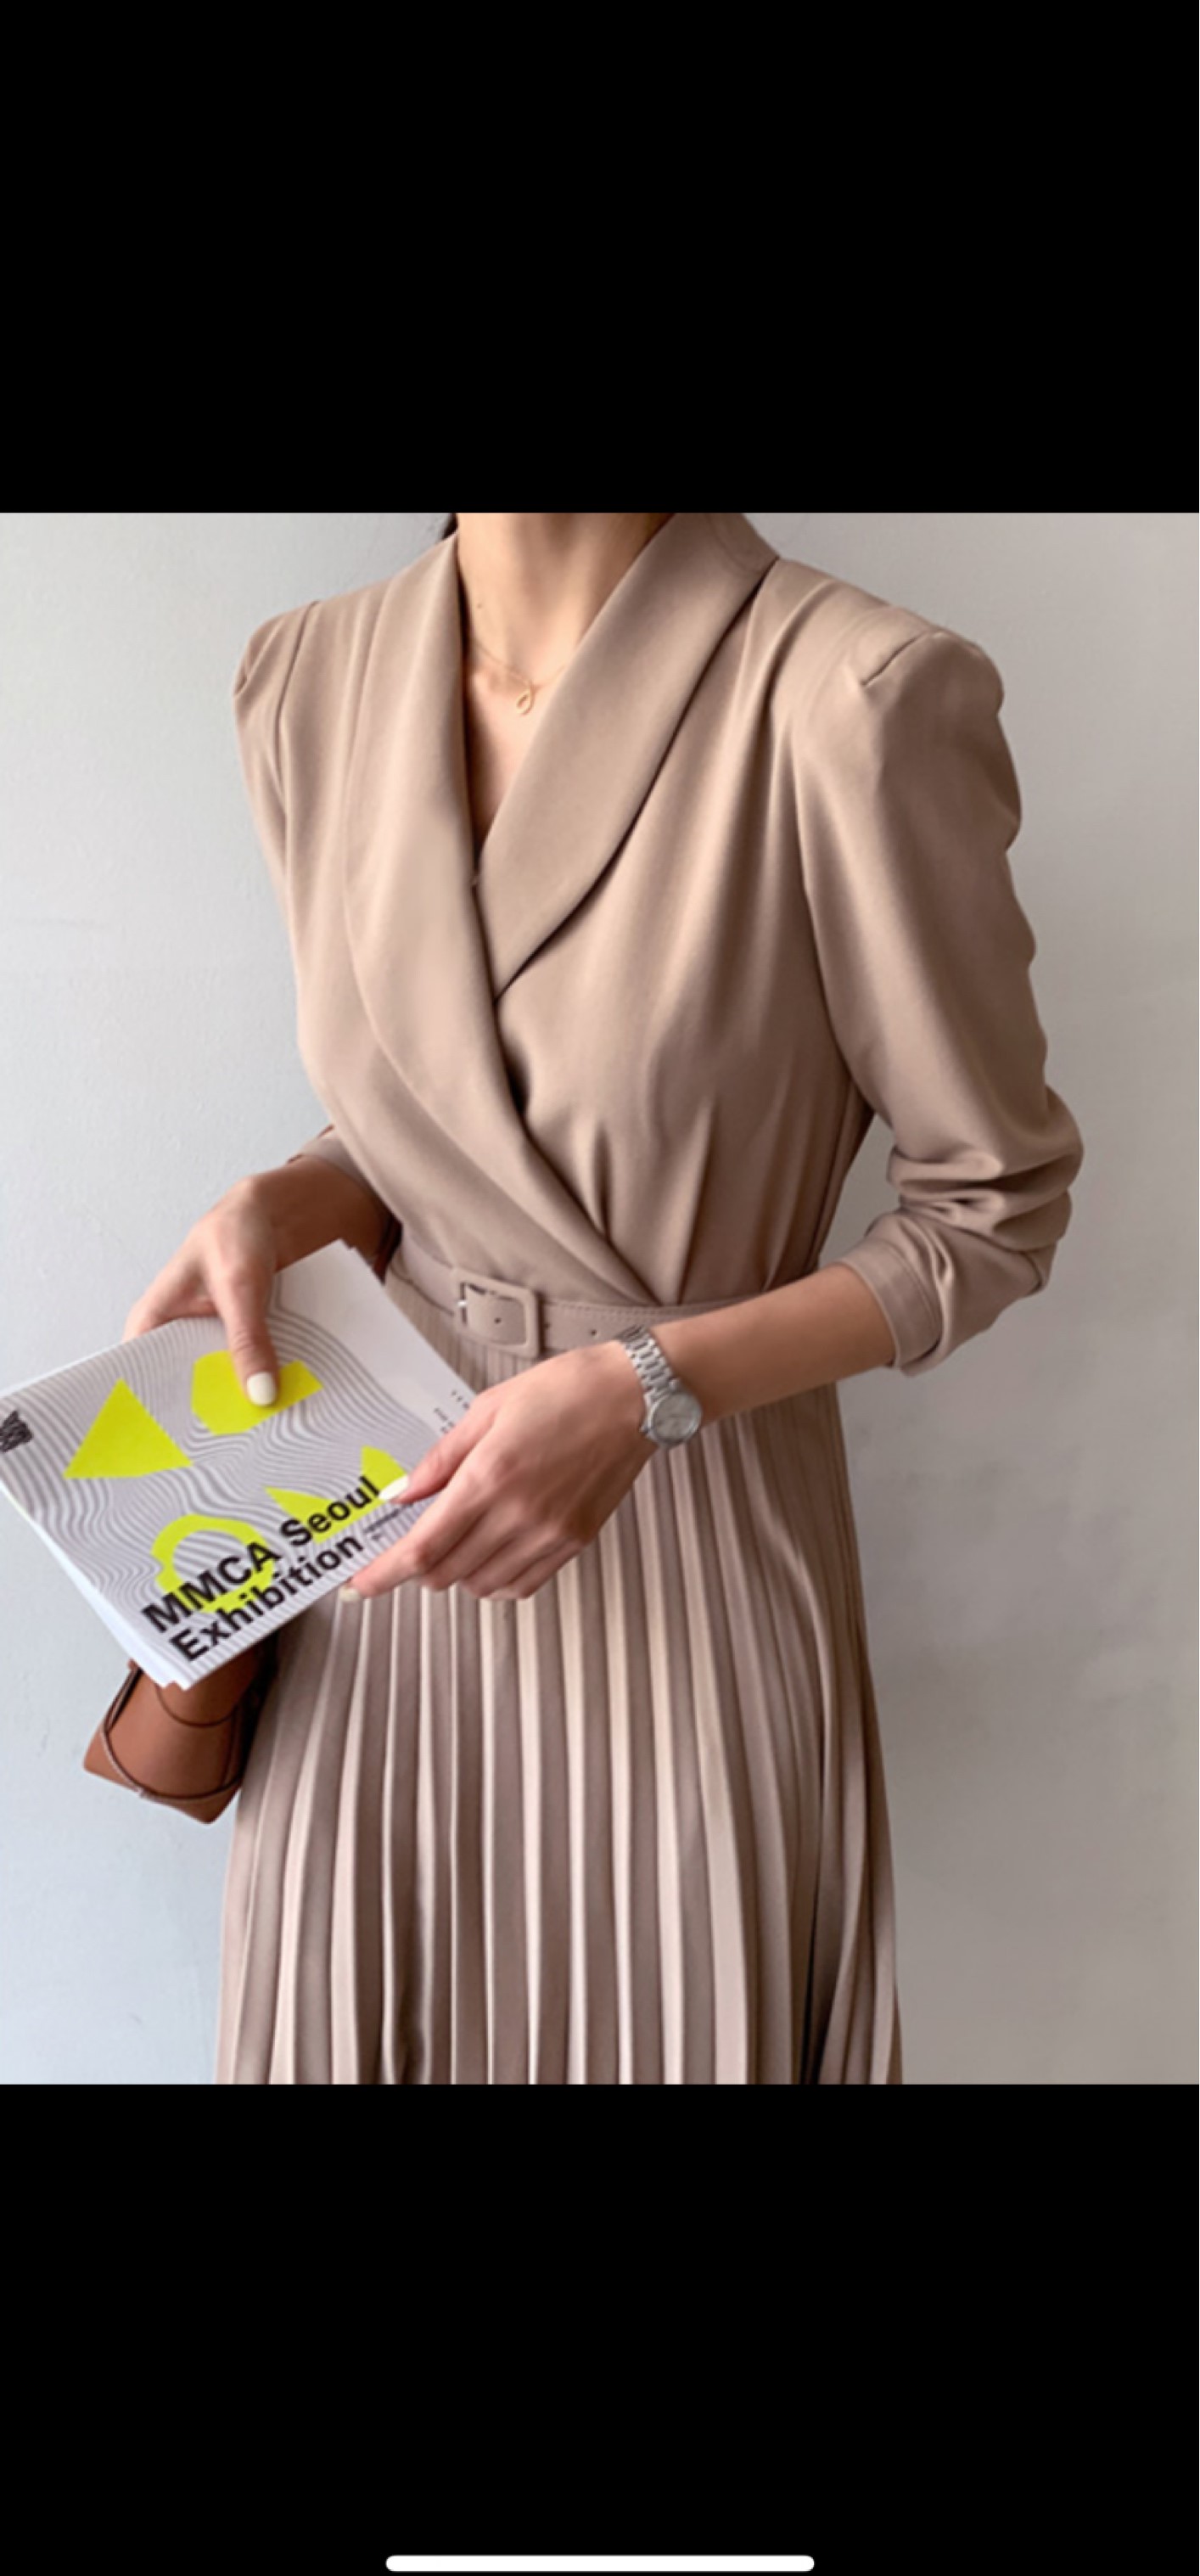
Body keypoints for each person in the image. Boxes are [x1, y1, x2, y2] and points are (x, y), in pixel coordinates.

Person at [125, 512, 1085, 2085]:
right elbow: (450, 1104)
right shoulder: (304, 678)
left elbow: (990, 1209)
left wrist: (648, 1387)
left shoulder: (855, 693)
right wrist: (296, 1196)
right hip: (383, 1561)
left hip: (691, 1543)